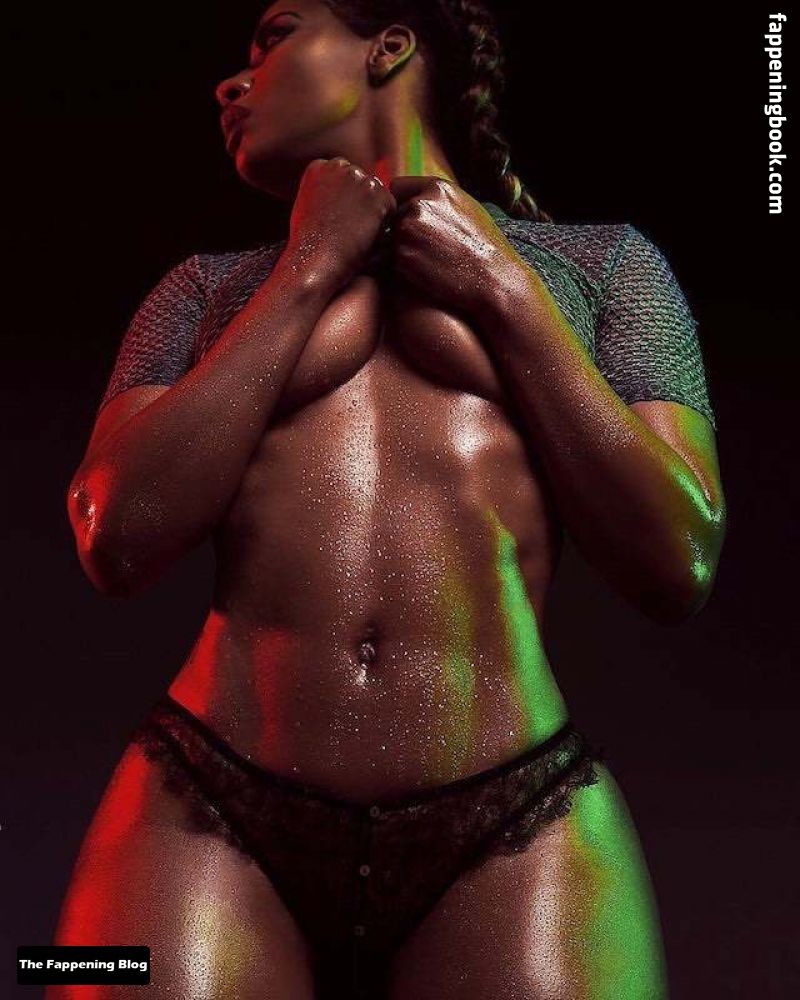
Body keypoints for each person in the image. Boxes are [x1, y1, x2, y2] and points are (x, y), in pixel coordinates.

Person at [54, 1, 726, 997]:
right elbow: (112, 532)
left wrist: (501, 284)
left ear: (388, 47)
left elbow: (680, 557)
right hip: (203, 803)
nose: (230, 82)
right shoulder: (201, 290)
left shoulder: (604, 268)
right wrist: (307, 268)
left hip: (511, 818)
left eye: (275, 35)